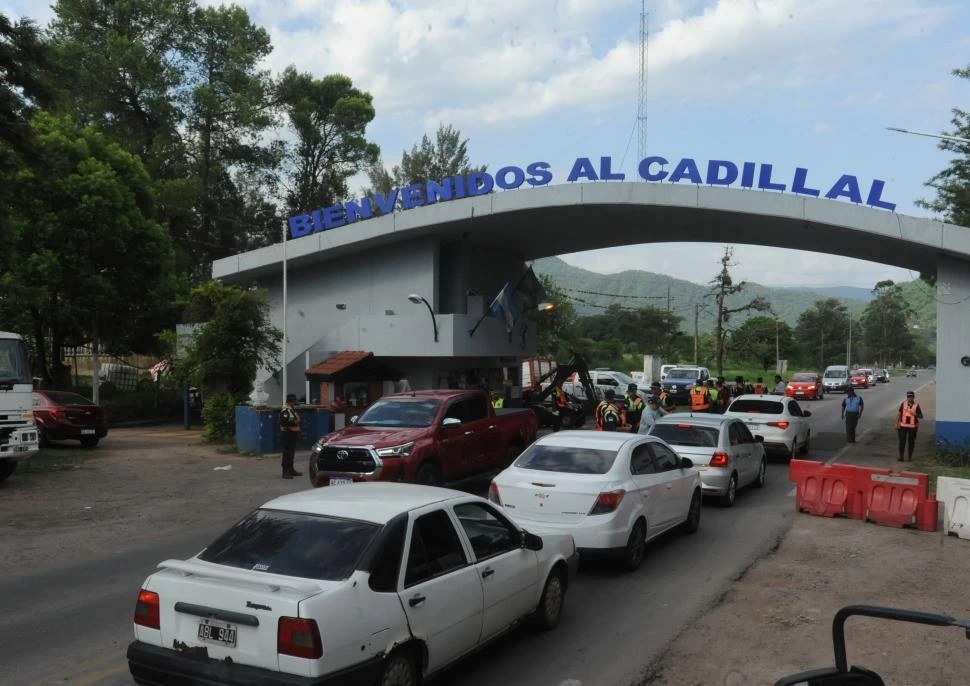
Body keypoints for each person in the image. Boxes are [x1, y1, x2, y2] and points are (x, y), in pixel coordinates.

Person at [279, 394, 303, 479]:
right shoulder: (285, 410)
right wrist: (295, 422)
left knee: (291, 453)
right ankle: (285, 473)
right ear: (290, 402)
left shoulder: (291, 409)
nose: (295, 403)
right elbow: (283, 422)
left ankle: (291, 470)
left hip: (292, 434)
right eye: (294, 401)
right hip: (287, 434)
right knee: (287, 453)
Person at [896, 390, 923, 462]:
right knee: (902, 441)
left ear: (913, 397)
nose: (909, 398)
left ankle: (910, 456)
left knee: (911, 442)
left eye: (911, 397)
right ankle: (901, 456)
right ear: (907, 397)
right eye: (908, 397)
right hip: (903, 426)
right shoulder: (903, 404)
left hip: (913, 427)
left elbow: (921, 416)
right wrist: (897, 424)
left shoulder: (916, 405)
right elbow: (899, 414)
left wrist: (916, 414)